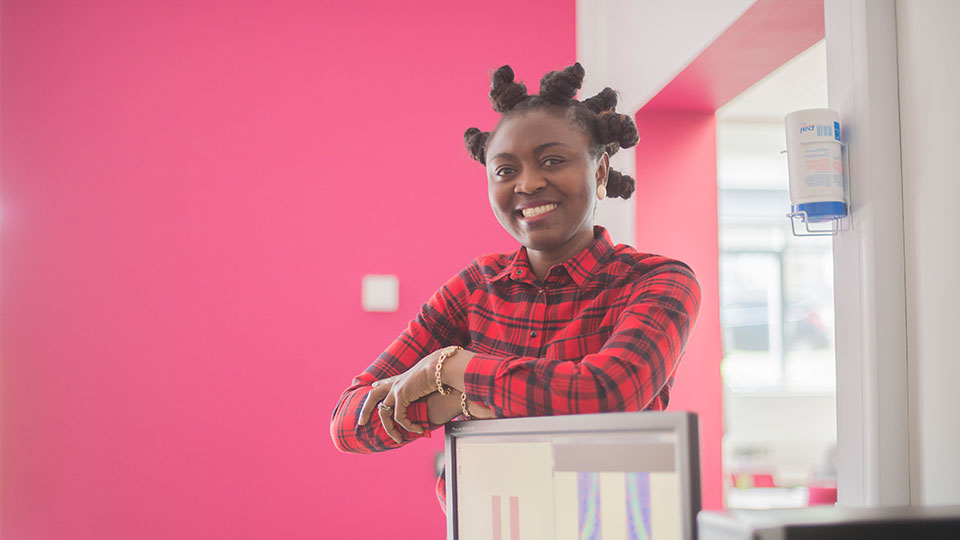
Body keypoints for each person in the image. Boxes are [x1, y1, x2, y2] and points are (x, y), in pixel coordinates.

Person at [330, 63, 702, 511]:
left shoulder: (658, 282)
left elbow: (603, 393)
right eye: (505, 171)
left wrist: (448, 371)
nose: (527, 183)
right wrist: (465, 403)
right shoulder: (474, 288)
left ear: (600, 172)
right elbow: (350, 422)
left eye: (552, 161)